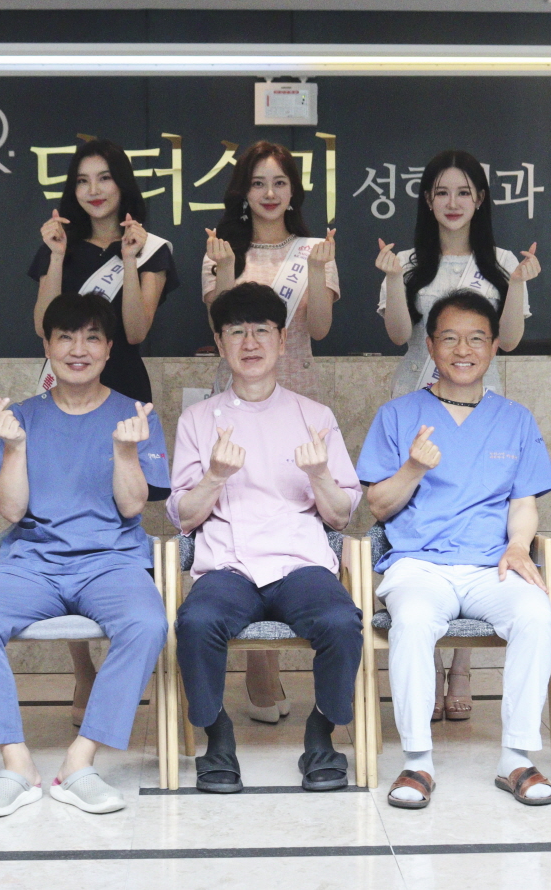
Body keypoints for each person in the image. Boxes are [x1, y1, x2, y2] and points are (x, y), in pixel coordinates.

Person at [0, 292, 170, 818]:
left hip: (111, 561)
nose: (78, 349)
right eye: (65, 337)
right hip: (35, 563)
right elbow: (11, 511)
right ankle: (16, 764)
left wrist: (124, 451)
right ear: (47, 346)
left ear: (109, 348)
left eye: (92, 338)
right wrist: (15, 448)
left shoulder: (135, 415)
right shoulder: (21, 417)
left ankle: (80, 761)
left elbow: (133, 505)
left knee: (147, 623)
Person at [358, 290, 551, 810]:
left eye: (476, 339)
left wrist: (519, 545)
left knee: (537, 615)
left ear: (493, 347)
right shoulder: (398, 414)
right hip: (419, 564)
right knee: (412, 621)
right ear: (430, 346)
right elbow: (378, 505)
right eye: (449, 338)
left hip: (492, 565)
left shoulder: (515, 419)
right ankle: (417, 762)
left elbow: (524, 501)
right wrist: (413, 468)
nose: (463, 350)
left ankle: (516, 758)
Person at [169, 283, 363, 793]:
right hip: (228, 567)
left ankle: (321, 735)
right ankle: (217, 737)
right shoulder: (197, 420)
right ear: (219, 342)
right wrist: (214, 476)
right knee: (196, 622)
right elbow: (184, 517)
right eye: (236, 331)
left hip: (299, 564)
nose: (250, 342)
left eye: (261, 330)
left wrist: (319, 474)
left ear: (281, 340)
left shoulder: (314, 417)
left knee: (342, 622)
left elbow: (341, 516)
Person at [374, 148, 543, 723]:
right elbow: (399, 334)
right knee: (428, 513)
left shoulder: (501, 262)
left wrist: (515, 285)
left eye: (464, 192)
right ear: (427, 199)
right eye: (442, 192)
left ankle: (463, 668)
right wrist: (392, 279)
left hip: (479, 402)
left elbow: (510, 341)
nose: (453, 202)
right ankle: (427, 663)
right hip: (418, 405)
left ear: (480, 199)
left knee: (479, 516)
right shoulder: (407, 261)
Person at [27, 138, 179, 728]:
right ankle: (82, 667)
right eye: (83, 180)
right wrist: (56, 258)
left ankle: (125, 649)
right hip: (63, 391)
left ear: (123, 185)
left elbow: (135, 331)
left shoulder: (151, 247)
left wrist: (131, 260)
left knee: (117, 514)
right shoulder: (56, 244)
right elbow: (44, 326)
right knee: (61, 511)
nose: (94, 190)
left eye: (105, 178)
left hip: (121, 388)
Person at [201, 141, 339, 724]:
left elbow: (322, 329)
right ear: (243, 190)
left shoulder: (314, 249)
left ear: (293, 190)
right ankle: (261, 667)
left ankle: (288, 637)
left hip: (296, 391)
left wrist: (318, 270)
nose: (269, 193)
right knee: (240, 509)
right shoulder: (221, 248)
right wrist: (222, 270)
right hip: (237, 394)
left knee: (291, 509)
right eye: (258, 182)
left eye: (280, 182)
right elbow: (218, 322)